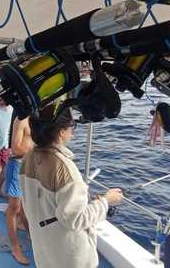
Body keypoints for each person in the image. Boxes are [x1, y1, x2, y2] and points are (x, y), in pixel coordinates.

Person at [20, 104, 124, 268]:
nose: (72, 130)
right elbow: (75, 220)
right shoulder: (64, 167)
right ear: (61, 132)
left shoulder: (28, 158)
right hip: (70, 259)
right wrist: (105, 201)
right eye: (72, 125)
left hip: (44, 253)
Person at [4, 113, 33, 265]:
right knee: (14, 208)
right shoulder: (21, 119)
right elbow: (15, 148)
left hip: (30, 167)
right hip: (17, 166)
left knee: (25, 206)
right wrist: (36, 152)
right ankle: (16, 248)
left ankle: (29, 232)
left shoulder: (39, 118)